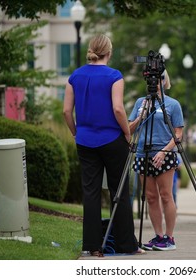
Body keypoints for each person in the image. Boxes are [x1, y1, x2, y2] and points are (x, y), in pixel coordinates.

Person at [63, 34, 142, 257]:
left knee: (91, 193)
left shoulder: (74, 76)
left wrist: (76, 133)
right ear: (109, 52)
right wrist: (127, 132)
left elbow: (66, 111)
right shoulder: (114, 76)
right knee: (120, 192)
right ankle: (127, 245)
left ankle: (93, 246)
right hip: (112, 140)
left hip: (85, 141)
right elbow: (118, 109)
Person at [128, 69, 184, 251]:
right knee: (151, 197)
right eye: (152, 78)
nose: (155, 81)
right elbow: (129, 129)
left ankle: (170, 238)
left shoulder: (173, 104)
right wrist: (140, 115)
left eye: (159, 78)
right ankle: (158, 236)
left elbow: (178, 134)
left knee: (166, 196)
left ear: (164, 80)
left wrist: (164, 151)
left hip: (164, 155)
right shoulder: (139, 103)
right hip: (143, 154)